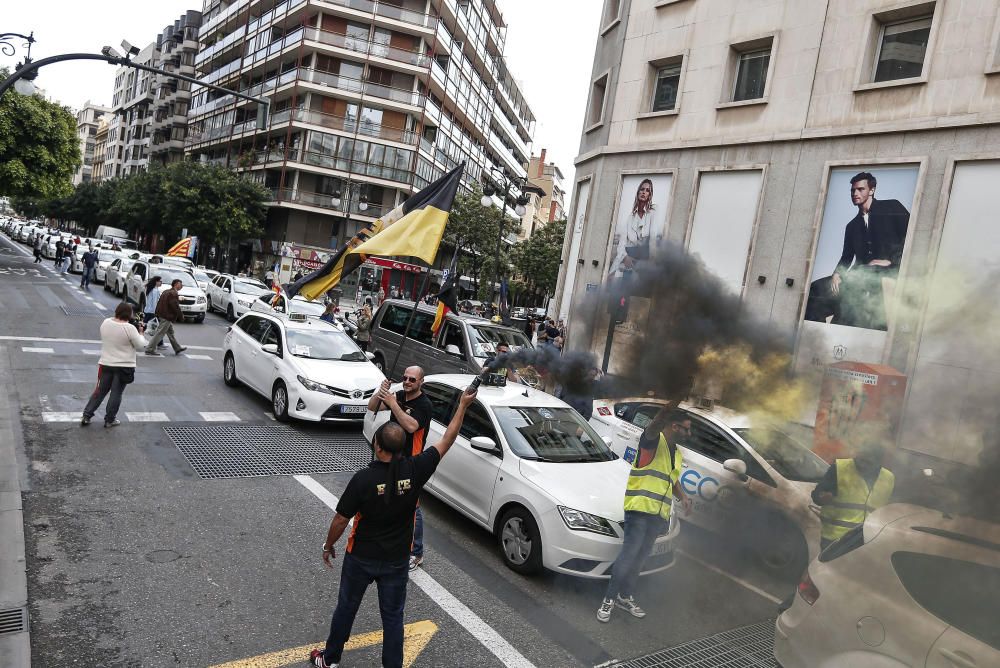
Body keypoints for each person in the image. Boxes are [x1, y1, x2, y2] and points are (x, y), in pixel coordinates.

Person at [310, 388, 478, 668]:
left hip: (360, 557)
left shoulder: (363, 479)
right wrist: (462, 406)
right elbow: (447, 439)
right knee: (393, 618)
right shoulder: (416, 469)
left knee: (347, 608)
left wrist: (328, 546)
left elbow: (341, 519)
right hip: (397, 560)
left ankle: (330, 659)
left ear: (377, 446)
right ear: (401, 448)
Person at [598, 406, 691, 623]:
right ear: (674, 426)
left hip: (659, 513)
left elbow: (671, 478)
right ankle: (609, 599)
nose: (689, 434)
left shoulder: (676, 452)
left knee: (641, 557)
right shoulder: (652, 440)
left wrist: (683, 497)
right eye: (686, 429)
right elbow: (655, 423)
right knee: (628, 555)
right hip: (639, 508)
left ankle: (625, 596)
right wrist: (675, 399)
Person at [805, 172, 910, 330]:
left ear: (872, 190)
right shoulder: (852, 226)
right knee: (816, 288)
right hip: (859, 272)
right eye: (853, 190)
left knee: (855, 291)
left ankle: (843, 325)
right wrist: (837, 274)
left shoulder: (892, 207)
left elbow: (913, 235)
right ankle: (818, 333)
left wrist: (891, 261)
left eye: (860, 189)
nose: (855, 193)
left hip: (889, 270)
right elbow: (846, 256)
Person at [367, 366, 434, 571]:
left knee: (411, 506)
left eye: (412, 379)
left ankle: (416, 552)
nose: (407, 382)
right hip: (389, 457)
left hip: (410, 462)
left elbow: (411, 426)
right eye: (405, 378)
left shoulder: (424, 405)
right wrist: (381, 392)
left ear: (421, 382)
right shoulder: (399, 395)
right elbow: (372, 407)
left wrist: (394, 404)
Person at [813, 443, 895, 550]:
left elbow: (887, 509)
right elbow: (817, 494)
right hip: (835, 539)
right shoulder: (840, 468)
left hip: (866, 540)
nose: (863, 465)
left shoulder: (888, 478)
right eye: (861, 459)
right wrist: (822, 497)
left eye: (868, 462)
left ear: (878, 461)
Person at [81, 303, 147, 428]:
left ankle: (86, 415)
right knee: (116, 393)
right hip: (124, 366)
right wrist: (141, 333)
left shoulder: (105, 322)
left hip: (106, 363)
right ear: (129, 314)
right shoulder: (130, 328)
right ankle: (109, 419)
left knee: (100, 391)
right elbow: (140, 345)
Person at [608, 178, 657, 279]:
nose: (644, 192)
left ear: (650, 195)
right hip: (628, 256)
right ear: (638, 191)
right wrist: (625, 257)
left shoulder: (652, 214)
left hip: (643, 259)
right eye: (642, 189)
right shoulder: (630, 217)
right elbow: (622, 242)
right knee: (613, 276)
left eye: (647, 190)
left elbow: (653, 241)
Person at [144, 279, 188, 356]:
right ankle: (150, 349)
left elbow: (160, 302)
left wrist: (157, 313)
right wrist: (181, 316)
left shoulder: (167, 291)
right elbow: (175, 306)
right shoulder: (173, 293)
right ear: (176, 284)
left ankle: (177, 348)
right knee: (160, 333)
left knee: (170, 332)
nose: (182, 286)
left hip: (163, 314)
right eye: (180, 284)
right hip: (167, 316)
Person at [143, 276, 167, 349]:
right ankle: (160, 344)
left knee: (146, 326)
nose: (161, 282)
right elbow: (154, 303)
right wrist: (156, 312)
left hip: (148, 311)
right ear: (156, 282)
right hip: (152, 312)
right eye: (160, 281)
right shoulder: (155, 291)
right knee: (156, 328)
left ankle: (160, 343)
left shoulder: (151, 289)